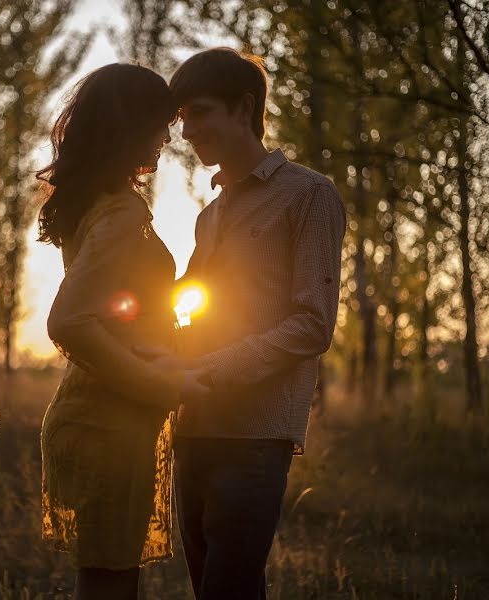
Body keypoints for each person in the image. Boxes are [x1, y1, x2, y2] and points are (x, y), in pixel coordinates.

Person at [140, 48, 347, 599]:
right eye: (182, 117)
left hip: (256, 435)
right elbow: (192, 308)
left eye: (200, 112)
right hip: (191, 426)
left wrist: (213, 368)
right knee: (218, 587)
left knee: (225, 589)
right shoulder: (210, 215)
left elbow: (312, 324)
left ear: (244, 107)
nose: (187, 130)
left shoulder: (309, 195)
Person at [37, 63, 210, 600]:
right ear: (129, 125)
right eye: (161, 124)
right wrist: (161, 385)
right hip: (108, 423)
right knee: (111, 585)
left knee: (106, 581)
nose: (168, 137)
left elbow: (119, 309)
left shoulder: (94, 203)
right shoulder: (119, 213)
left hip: (99, 418)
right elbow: (69, 321)